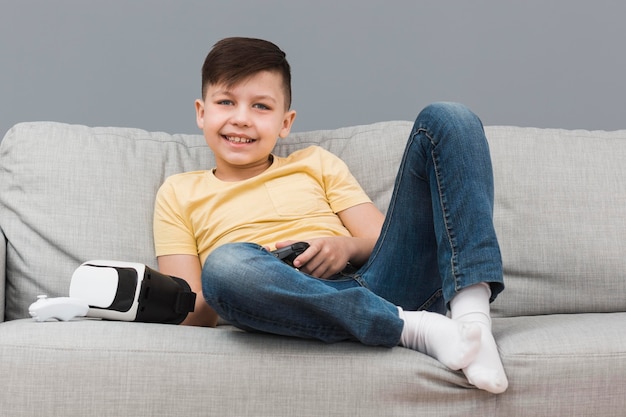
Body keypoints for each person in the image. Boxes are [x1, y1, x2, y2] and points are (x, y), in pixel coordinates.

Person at [153, 37, 508, 394]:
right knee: (225, 265)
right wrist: (253, 274)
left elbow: (384, 242)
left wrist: (344, 247)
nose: (242, 119)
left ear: (285, 122)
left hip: (379, 280)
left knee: (449, 117)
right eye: (226, 102)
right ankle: (413, 328)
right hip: (288, 299)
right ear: (202, 112)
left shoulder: (315, 163)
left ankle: (472, 318)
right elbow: (188, 309)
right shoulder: (178, 192)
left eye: (261, 106)